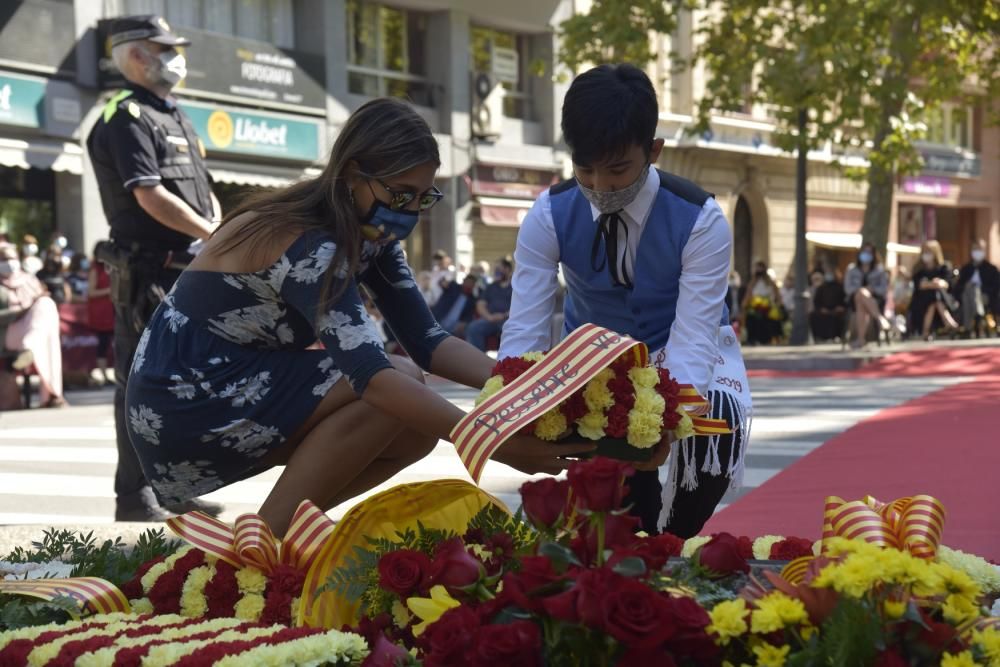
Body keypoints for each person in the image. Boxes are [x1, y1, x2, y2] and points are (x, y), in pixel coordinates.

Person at [124, 98, 593, 538]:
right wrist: (492, 443)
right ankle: (266, 542)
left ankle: (281, 531)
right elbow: (371, 377)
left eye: (423, 198)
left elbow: (428, 340)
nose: (410, 212)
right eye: (401, 194)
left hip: (235, 386)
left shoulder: (369, 231)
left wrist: (532, 387)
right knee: (397, 388)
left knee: (413, 431)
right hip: (184, 398)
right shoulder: (310, 241)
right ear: (352, 174)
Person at [497, 64, 751, 538]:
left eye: (617, 169)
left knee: (711, 442)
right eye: (584, 168)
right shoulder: (547, 214)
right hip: (591, 354)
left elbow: (693, 336)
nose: (599, 185)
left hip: (685, 348)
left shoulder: (702, 219)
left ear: (653, 151)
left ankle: (674, 543)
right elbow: (526, 327)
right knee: (618, 492)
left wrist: (666, 419)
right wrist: (515, 402)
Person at [86, 15, 224, 522]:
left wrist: (216, 231)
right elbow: (149, 193)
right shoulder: (126, 115)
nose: (173, 57)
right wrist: (212, 234)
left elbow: (202, 187)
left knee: (185, 382)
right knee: (142, 383)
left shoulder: (173, 112)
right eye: (161, 48)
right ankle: (135, 496)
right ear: (134, 56)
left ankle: (176, 487)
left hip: (189, 269)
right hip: (149, 272)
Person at [0, 243, 66, 408]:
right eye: (5, 259)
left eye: (13, 258)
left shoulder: (29, 279)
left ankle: (50, 393)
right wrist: (23, 311)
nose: (10, 262)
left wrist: (39, 299)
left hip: (33, 330)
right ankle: (28, 348)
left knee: (47, 304)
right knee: (43, 333)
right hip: (7, 333)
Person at [843, 243, 891, 348]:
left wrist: (872, 289)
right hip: (853, 298)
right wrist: (860, 290)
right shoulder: (851, 269)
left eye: (869, 252)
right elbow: (847, 289)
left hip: (874, 299)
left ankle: (861, 340)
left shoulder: (879, 270)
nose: (866, 254)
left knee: (861, 303)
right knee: (860, 293)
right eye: (864, 251)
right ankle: (880, 319)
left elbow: (883, 289)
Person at [910, 240, 959, 340]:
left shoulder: (943, 267)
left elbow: (947, 283)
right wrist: (934, 284)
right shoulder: (918, 269)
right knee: (934, 295)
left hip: (943, 300)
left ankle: (925, 331)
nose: (926, 254)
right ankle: (948, 321)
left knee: (934, 297)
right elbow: (919, 285)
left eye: (929, 251)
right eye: (924, 251)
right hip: (920, 302)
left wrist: (938, 283)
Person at [465, 257, 513, 351]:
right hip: (490, 319)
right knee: (473, 328)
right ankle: (478, 360)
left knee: (509, 331)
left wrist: (504, 315)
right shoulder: (491, 287)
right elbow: (480, 304)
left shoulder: (515, 286)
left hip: (508, 320)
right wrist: (489, 317)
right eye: (495, 269)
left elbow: (520, 306)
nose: (496, 272)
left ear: (507, 269)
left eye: (499, 269)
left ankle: (507, 362)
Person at [953, 239, 999, 337]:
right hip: (967, 297)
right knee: (969, 289)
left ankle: (968, 328)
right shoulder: (966, 269)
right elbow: (958, 287)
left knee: (973, 290)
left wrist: (979, 288)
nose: (977, 251)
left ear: (984, 250)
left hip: (985, 297)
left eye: (980, 249)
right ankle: (979, 316)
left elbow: (996, 287)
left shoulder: (991, 269)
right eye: (975, 249)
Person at [87, 243, 116, 386]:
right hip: (101, 312)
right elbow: (91, 292)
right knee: (103, 344)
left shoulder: (112, 268)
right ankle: (104, 375)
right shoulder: (95, 270)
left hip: (112, 310)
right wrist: (109, 291)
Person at [741, 260, 782, 345]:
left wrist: (777, 302)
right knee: (752, 319)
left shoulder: (769, 281)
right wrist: (745, 304)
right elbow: (749, 293)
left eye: (760, 268)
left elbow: (776, 293)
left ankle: (766, 339)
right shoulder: (753, 281)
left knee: (767, 321)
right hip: (754, 305)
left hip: (767, 305)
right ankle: (752, 339)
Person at [809, 269, 847, 342]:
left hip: (837, 310)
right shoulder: (821, 288)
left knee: (837, 318)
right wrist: (821, 309)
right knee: (814, 316)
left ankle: (836, 336)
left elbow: (845, 300)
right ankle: (820, 337)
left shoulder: (840, 287)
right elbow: (816, 301)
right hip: (823, 309)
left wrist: (842, 307)